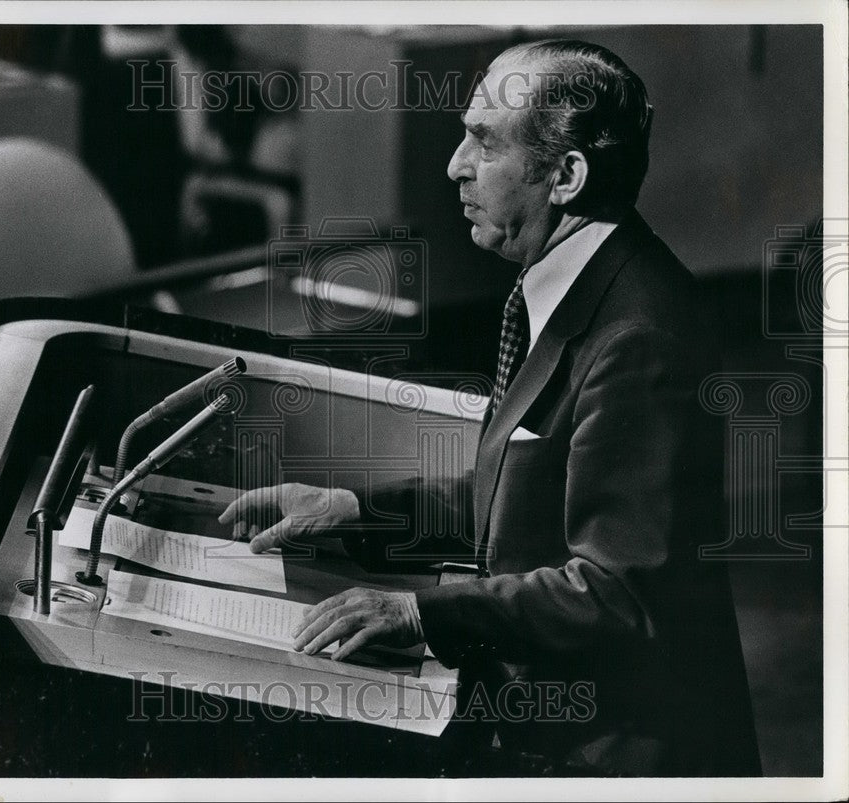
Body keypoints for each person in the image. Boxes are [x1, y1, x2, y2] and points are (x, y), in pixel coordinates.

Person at [219, 39, 761, 776]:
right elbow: (520, 499)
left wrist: (417, 612)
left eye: (484, 141)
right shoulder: (574, 282)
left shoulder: (641, 335)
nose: (455, 166)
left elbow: (618, 590)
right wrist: (350, 509)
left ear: (566, 176)